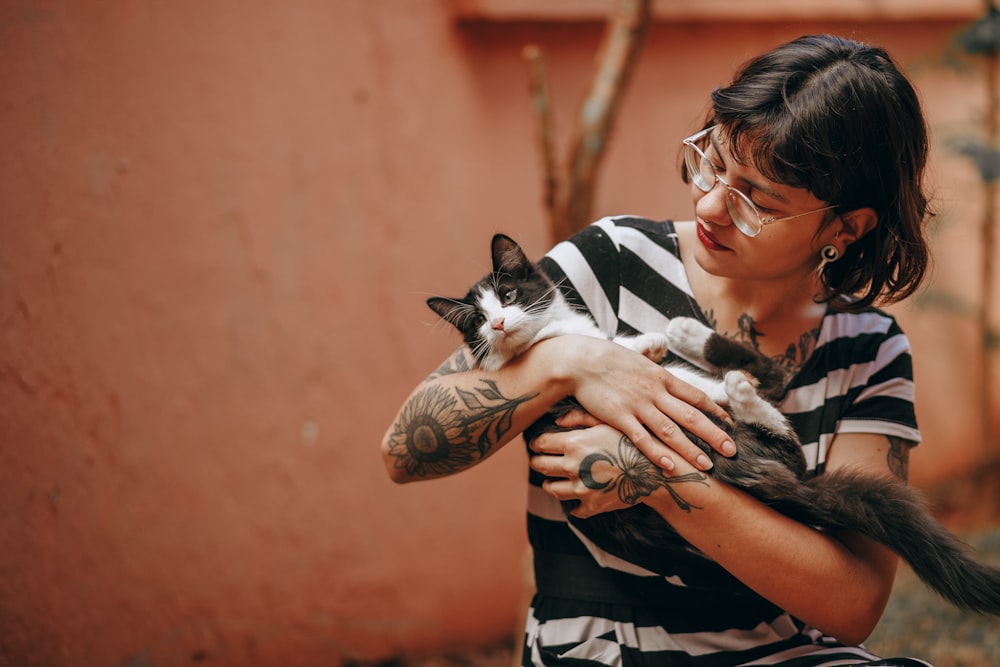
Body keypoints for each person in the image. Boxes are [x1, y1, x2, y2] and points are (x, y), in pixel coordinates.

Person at [381, 34, 936, 666]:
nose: (708, 205)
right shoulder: (611, 260)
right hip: (597, 647)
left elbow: (853, 605)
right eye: (712, 163)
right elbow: (404, 452)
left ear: (845, 227)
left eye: (756, 201)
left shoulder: (869, 349)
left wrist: (658, 476)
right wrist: (575, 362)